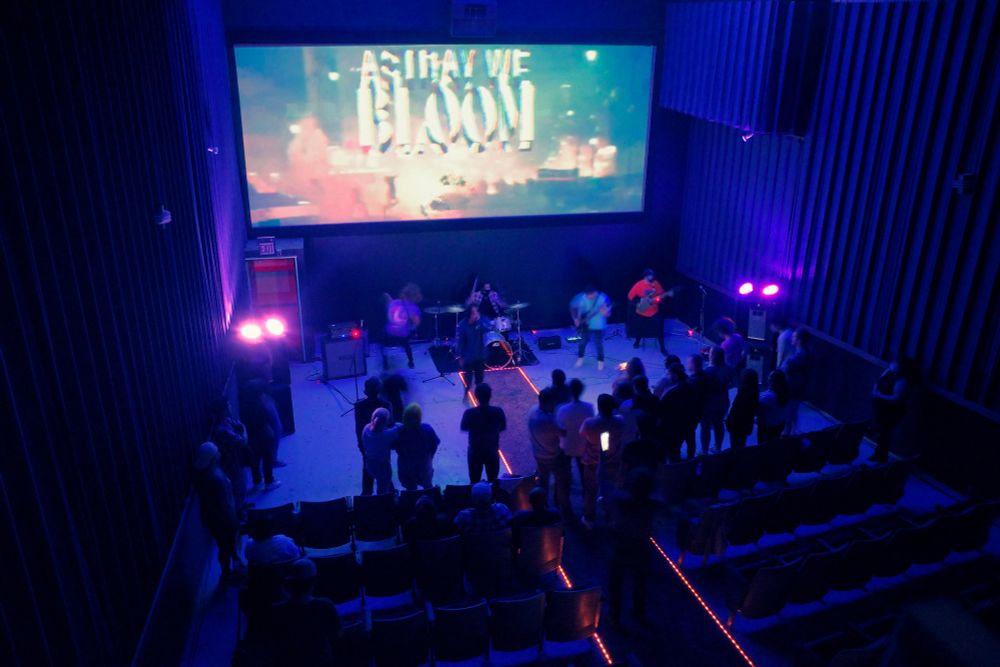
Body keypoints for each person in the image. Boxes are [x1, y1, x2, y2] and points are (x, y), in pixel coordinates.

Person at [268, 558, 342, 667]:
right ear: (314, 582)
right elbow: (337, 634)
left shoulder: (277, 610)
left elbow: (274, 642)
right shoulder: (325, 606)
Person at [608, 468, 658, 626]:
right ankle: (639, 612)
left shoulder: (622, 501)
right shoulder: (651, 503)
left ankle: (615, 617)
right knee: (640, 581)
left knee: (617, 583)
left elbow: (611, 493)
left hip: (621, 546)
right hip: (642, 547)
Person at [193, 442, 244, 584]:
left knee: (224, 545)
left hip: (211, 519)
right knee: (227, 546)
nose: (220, 454)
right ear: (214, 457)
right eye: (217, 452)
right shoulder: (216, 478)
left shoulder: (204, 474)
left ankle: (229, 569)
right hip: (224, 520)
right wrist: (234, 519)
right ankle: (228, 573)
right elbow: (225, 503)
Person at [579, 394, 626, 528]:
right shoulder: (620, 420)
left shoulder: (590, 422)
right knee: (609, 487)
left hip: (593, 460)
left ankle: (589, 518)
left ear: (599, 406)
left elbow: (582, 434)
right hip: (613, 460)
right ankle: (610, 517)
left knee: (590, 490)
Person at [528, 388, 571, 516]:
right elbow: (563, 433)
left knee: (543, 481)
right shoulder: (549, 421)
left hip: (539, 454)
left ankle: (544, 506)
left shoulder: (532, 411)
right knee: (561, 481)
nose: (554, 405)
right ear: (547, 402)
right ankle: (562, 509)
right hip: (553, 455)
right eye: (553, 403)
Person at [210, 397, 253, 518]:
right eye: (227, 405)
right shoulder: (221, 430)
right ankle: (239, 513)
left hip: (237, 459)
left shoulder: (227, 421)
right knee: (237, 485)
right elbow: (242, 441)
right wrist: (243, 430)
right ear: (222, 410)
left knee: (243, 482)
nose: (230, 406)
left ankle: (242, 505)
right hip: (230, 462)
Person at [871, 357, 918, 463]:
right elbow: (879, 380)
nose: (892, 365)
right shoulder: (890, 373)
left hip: (892, 412)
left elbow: (896, 398)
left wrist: (878, 395)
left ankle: (881, 457)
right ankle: (877, 454)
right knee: (881, 433)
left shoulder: (902, 381)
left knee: (885, 434)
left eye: (895, 364)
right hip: (883, 410)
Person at [460, 383, 507, 483]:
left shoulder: (469, 413)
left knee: (474, 481)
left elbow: (464, 427)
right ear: (490, 396)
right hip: (492, 451)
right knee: (493, 480)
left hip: (475, 452)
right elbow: (502, 427)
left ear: (476, 396)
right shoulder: (498, 411)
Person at [242, 379, 283, 491]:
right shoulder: (261, 404)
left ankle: (257, 482)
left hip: (252, 436)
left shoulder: (245, 405)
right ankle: (269, 481)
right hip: (264, 434)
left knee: (255, 459)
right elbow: (267, 419)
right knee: (267, 458)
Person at [556, 378, 595, 492]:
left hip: (566, 445)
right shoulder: (589, 407)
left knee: (566, 470)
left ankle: (565, 492)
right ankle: (585, 493)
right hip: (583, 445)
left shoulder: (562, 409)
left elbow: (559, 428)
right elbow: (590, 425)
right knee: (583, 471)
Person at [354, 377, 391, 496]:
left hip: (367, 444)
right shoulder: (385, 405)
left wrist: (361, 445)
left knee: (367, 472)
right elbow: (390, 425)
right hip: (383, 445)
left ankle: (366, 498)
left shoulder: (359, 406)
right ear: (379, 390)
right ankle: (388, 496)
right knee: (384, 471)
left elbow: (358, 428)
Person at [394, 403, 440, 490]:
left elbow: (396, 448)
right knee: (427, 488)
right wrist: (430, 457)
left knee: (411, 490)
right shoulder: (427, 429)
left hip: (406, 466)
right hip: (424, 465)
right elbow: (434, 445)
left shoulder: (399, 432)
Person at [658, 363, 697, 461]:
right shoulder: (691, 386)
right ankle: (690, 463)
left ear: (675, 375)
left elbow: (662, 408)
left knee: (673, 450)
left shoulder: (672, 392)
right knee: (689, 443)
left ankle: (676, 469)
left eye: (669, 374)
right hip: (688, 422)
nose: (668, 377)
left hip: (674, 426)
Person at [690, 354, 728, 453]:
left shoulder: (698, 378)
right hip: (720, 403)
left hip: (708, 406)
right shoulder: (720, 371)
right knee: (718, 425)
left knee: (705, 427)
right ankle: (717, 447)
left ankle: (704, 450)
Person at [627, 268, 670, 354]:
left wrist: (661, 297)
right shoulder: (638, 285)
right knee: (640, 327)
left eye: (653, 275)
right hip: (642, 310)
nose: (653, 277)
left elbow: (661, 294)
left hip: (654, 310)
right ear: (646, 276)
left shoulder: (656, 283)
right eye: (651, 275)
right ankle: (637, 342)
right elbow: (630, 297)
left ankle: (662, 348)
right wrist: (637, 304)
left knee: (659, 328)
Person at [780, 328, 814, 435]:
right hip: (799, 387)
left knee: (789, 413)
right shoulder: (807, 353)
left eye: (794, 337)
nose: (792, 338)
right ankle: (794, 433)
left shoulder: (799, 357)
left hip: (793, 388)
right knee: (793, 412)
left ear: (799, 340)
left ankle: (787, 436)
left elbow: (787, 370)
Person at [570, 285, 612, 370]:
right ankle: (580, 359)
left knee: (598, 344)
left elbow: (608, 314)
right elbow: (580, 309)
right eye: (588, 296)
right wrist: (577, 320)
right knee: (582, 343)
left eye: (591, 296)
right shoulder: (584, 298)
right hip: (587, 325)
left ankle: (601, 362)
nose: (589, 298)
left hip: (598, 325)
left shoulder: (603, 298)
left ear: (595, 293)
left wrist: (604, 311)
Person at [362, 407, 401, 494]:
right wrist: (393, 423)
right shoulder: (386, 435)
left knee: (384, 481)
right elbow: (399, 427)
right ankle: (383, 502)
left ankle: (392, 492)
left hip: (369, 464)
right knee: (382, 488)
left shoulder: (366, 429)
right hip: (382, 466)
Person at [383, 283, 422, 369]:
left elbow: (389, 301)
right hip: (402, 334)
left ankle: (385, 364)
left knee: (384, 346)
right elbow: (416, 323)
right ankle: (411, 362)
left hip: (389, 332)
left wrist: (386, 295)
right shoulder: (413, 307)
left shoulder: (394, 302)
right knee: (407, 346)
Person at [456, 305, 489, 386]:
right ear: (469, 315)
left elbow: (487, 328)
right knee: (468, 380)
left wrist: (480, 321)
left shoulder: (480, 322)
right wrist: (460, 357)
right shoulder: (462, 325)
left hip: (479, 355)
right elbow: (460, 342)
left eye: (477, 312)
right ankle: (466, 394)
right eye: (474, 313)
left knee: (480, 379)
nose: (476, 315)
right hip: (468, 357)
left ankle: (479, 396)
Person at [726, 369, 760, 449]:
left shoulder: (743, 394)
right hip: (746, 425)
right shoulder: (755, 392)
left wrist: (728, 423)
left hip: (736, 426)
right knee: (741, 444)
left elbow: (735, 411)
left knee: (734, 446)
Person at [757, 370, 791, 443]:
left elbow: (757, 410)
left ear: (772, 381)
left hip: (768, 428)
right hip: (780, 425)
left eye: (770, 377)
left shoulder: (767, 397)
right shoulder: (785, 394)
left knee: (763, 447)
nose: (767, 378)